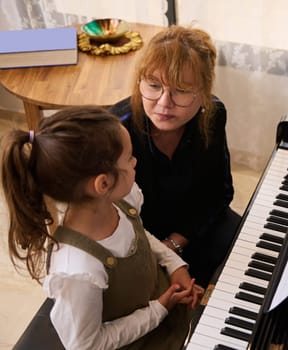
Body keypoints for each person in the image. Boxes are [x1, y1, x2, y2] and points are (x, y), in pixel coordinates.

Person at [1, 106, 203, 350]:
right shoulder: (77, 270)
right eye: (129, 158)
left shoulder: (117, 201)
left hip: (161, 302)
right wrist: (158, 310)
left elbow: (137, 235)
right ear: (103, 183)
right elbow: (87, 344)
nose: (135, 161)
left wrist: (173, 264)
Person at [110, 24, 241, 287]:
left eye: (180, 90)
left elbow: (219, 193)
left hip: (196, 227)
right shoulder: (116, 126)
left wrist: (175, 243)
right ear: (140, 82)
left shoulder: (214, 115)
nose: (164, 103)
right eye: (154, 85)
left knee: (249, 264)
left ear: (203, 92)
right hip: (138, 239)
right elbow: (109, 213)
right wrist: (160, 253)